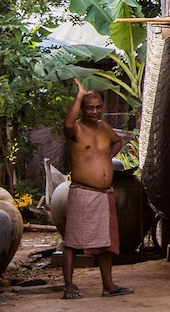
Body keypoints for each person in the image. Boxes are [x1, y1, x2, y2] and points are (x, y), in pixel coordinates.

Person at [61, 80, 132, 300]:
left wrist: (106, 157)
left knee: (105, 242)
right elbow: (67, 125)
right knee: (72, 242)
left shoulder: (104, 127)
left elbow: (117, 142)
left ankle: (108, 285)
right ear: (82, 108)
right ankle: (69, 286)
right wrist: (79, 95)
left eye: (98, 107)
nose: (94, 111)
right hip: (83, 191)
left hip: (103, 193)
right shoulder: (76, 129)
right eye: (89, 107)